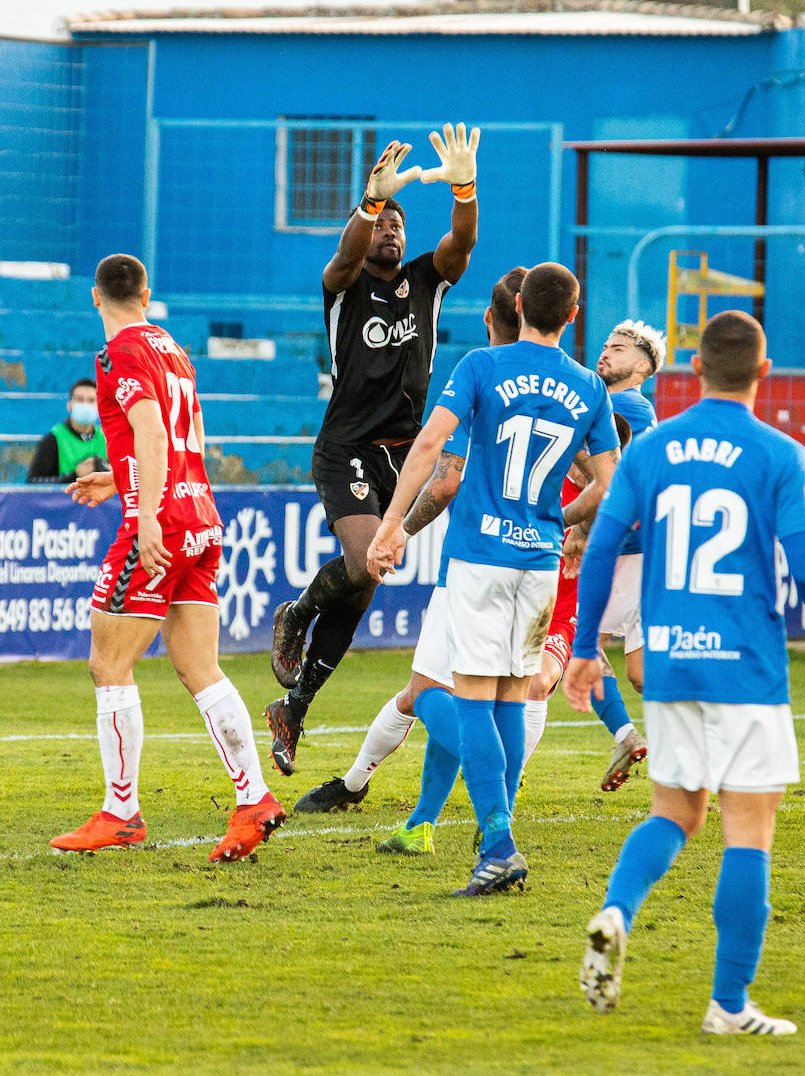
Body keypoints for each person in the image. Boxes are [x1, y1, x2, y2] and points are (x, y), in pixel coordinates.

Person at [565, 309, 805, 1035]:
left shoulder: (650, 449)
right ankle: (728, 1005)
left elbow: (600, 548)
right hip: (746, 670)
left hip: (669, 662)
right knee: (746, 831)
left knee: (676, 812)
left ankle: (614, 910)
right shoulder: (780, 455)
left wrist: (581, 648)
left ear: (694, 369)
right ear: (764, 373)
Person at [368, 262, 618, 896]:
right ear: (573, 314)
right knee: (511, 695)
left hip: (479, 556)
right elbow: (608, 484)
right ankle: (496, 833)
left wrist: (391, 524)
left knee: (473, 695)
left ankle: (500, 843)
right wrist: (557, 520)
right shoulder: (591, 387)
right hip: (539, 565)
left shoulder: (480, 365)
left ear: (518, 307)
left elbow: (429, 446)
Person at [51, 254, 285, 861]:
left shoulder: (119, 353)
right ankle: (254, 797)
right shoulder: (173, 349)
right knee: (197, 666)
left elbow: (153, 435)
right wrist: (118, 477)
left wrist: (146, 511)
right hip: (201, 516)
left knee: (109, 664)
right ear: (147, 293)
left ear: (96, 299)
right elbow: (191, 437)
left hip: (159, 525)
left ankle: (121, 812)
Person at [264, 124, 479, 776]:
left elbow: (462, 243)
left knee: (365, 585)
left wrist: (464, 189)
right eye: (383, 222)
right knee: (361, 567)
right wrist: (368, 203)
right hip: (347, 446)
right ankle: (296, 613)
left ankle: (291, 712)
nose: (391, 230)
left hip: (401, 453)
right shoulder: (344, 285)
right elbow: (342, 255)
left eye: (397, 223)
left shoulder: (426, 280)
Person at [523, 315, 666, 790]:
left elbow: (601, 477)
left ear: (644, 366)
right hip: (638, 551)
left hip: (625, 553)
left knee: (574, 653)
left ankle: (690, 720)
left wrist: (579, 533)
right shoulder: (623, 404)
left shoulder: (626, 405)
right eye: (606, 345)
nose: (606, 352)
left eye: (620, 348)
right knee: (636, 672)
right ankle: (642, 733)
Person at [26, 377, 110, 483]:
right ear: (69, 405)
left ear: (100, 405)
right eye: (79, 399)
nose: (85, 404)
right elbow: (33, 482)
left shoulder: (107, 438)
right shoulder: (53, 439)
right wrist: (74, 476)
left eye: (92, 400)